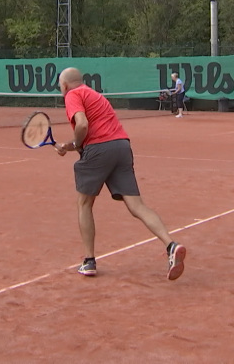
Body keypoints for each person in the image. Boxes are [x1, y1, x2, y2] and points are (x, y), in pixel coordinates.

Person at [55, 67, 186, 280]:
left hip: (99, 149)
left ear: (65, 85)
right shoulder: (95, 95)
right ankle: (171, 245)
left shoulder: (73, 95)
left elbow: (82, 124)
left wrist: (77, 144)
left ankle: (89, 261)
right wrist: (70, 146)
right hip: (122, 147)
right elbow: (93, 129)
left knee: (84, 204)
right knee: (137, 206)